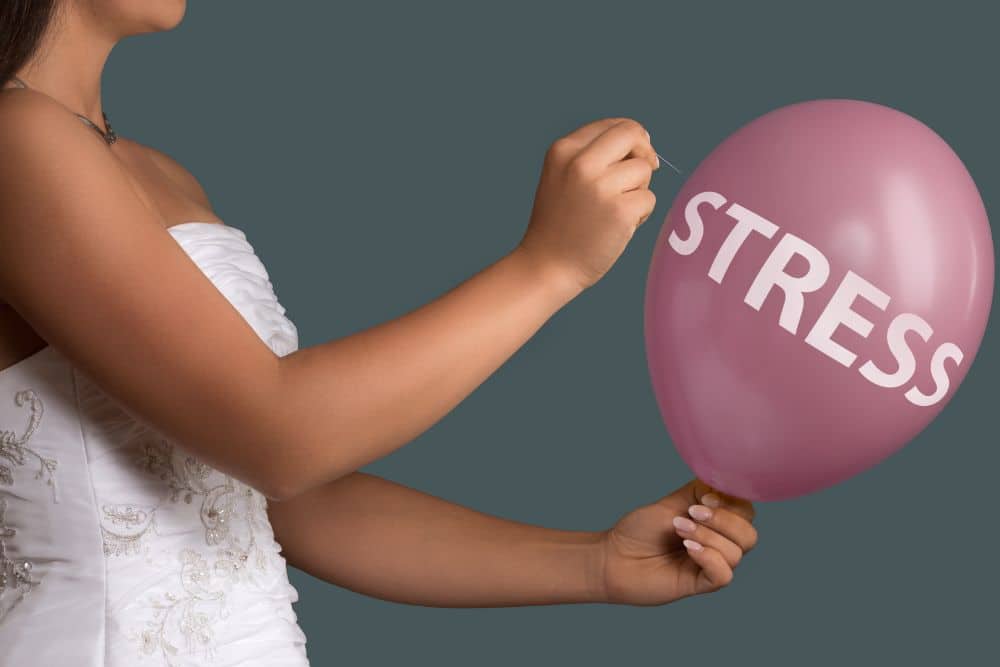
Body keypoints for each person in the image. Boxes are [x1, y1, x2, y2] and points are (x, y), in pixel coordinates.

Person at [0, 1, 758, 665]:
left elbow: (287, 498)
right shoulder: (15, 140)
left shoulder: (152, 171)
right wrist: (548, 267)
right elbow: (278, 435)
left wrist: (595, 563)